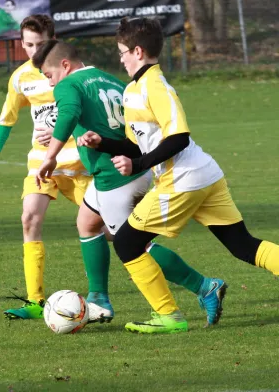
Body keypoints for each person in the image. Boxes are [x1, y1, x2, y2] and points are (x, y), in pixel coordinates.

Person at [76, 17, 279, 334]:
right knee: (242, 245)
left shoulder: (156, 86)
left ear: (138, 51)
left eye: (122, 52)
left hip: (182, 181)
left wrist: (140, 165)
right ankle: (198, 296)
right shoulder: (133, 89)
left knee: (127, 242)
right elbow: (135, 143)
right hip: (205, 176)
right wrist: (103, 143)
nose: (121, 58)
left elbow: (179, 137)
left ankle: (169, 316)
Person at [32, 39, 228, 328]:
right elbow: (107, 121)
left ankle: (202, 288)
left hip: (115, 176)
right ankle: (98, 299)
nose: (50, 85)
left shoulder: (67, 85)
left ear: (65, 65)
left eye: (49, 76)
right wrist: (67, 131)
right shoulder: (109, 79)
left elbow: (72, 110)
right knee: (87, 223)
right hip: (131, 165)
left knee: (133, 246)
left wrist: (50, 156)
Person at [0, 15, 114, 322]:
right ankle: (36, 301)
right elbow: (7, 116)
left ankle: (103, 294)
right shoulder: (21, 78)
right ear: (20, 44)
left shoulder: (70, 74)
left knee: (113, 231)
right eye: (28, 44)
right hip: (42, 164)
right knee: (29, 219)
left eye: (40, 44)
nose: (33, 50)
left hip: (79, 164)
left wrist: (63, 133)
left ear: (53, 40)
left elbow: (86, 112)